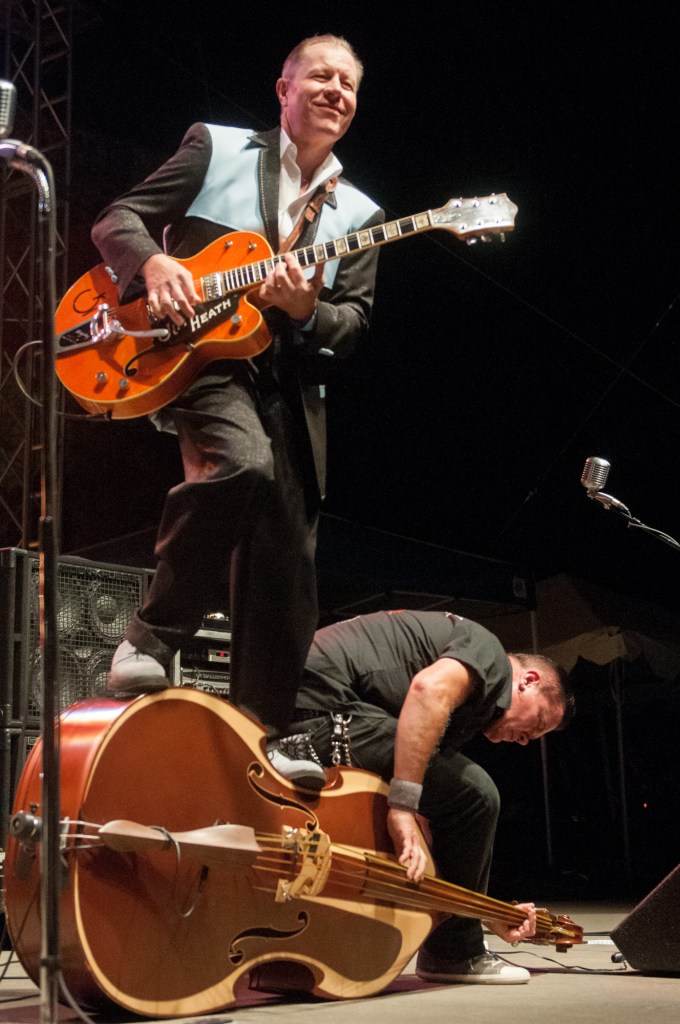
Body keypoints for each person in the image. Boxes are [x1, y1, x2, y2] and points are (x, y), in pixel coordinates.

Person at [90, 35, 384, 788]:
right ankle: (151, 640)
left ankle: (266, 734)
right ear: (283, 87)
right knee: (241, 464)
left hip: (288, 384)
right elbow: (116, 220)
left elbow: (351, 325)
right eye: (321, 76)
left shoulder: (358, 212)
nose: (336, 91)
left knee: (288, 562)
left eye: (349, 84)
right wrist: (152, 262)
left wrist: (308, 309)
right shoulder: (215, 147)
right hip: (203, 361)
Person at [280, 608, 574, 984]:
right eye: (534, 726)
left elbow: (435, 833)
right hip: (322, 708)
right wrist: (402, 806)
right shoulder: (490, 657)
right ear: (528, 681)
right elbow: (427, 690)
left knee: (460, 798)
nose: (523, 741)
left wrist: (481, 910)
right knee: (478, 795)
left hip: (307, 704)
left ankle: (454, 938)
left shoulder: (467, 711)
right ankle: (455, 953)